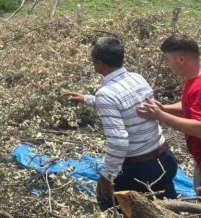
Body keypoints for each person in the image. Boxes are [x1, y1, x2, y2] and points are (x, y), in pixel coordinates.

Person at [63, 36, 178, 211]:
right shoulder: (136, 78)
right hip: (165, 160)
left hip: (139, 169)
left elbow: (118, 141)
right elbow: (125, 104)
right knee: (167, 211)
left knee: (110, 205)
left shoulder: (107, 94)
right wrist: (86, 99)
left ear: (99, 63)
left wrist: (106, 177)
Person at [136, 34, 201, 191]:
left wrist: (160, 115)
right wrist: (166, 108)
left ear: (180, 59)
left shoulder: (199, 87)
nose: (165, 63)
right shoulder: (193, 78)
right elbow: (190, 106)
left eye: (166, 58)